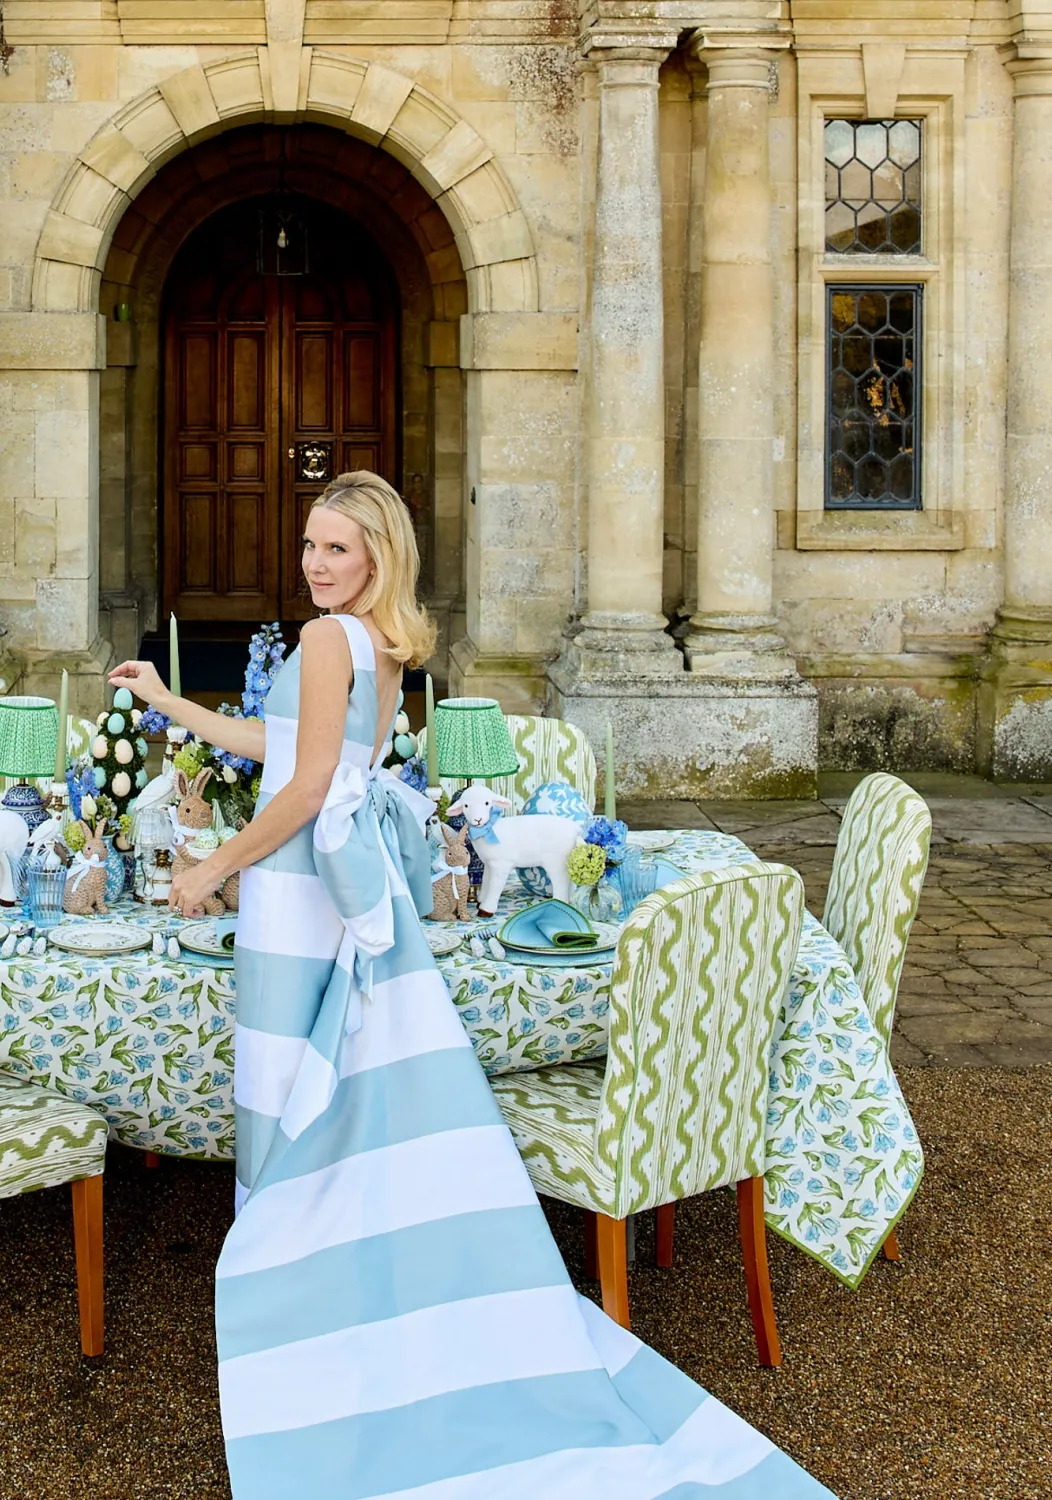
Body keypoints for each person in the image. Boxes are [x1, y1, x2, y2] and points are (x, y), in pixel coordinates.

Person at [110, 472, 832, 1500]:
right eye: (310, 545)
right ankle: (358, 1288)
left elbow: (311, 787)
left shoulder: (327, 641)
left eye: (337, 551)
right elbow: (294, 754)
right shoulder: (379, 643)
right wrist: (171, 703)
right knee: (351, 1089)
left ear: (376, 559)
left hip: (302, 890)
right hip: (333, 886)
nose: (316, 564)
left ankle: (301, 1296)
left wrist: (211, 868)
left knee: (291, 1087)